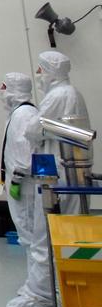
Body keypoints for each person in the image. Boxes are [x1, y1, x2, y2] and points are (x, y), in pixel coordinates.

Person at [0, 73, 53, 307]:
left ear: (12, 89)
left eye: (4, 87)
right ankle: (35, 285)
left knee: (33, 237)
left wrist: (17, 182)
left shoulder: (23, 115)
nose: (1, 91)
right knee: (29, 237)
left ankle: (41, 293)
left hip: (26, 188)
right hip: (22, 185)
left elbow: (24, 156)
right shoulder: (20, 113)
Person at [37, 50, 93, 214]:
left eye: (40, 70)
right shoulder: (73, 92)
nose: (39, 74)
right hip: (74, 163)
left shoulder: (57, 95)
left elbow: (35, 127)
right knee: (76, 209)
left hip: (59, 162)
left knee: (60, 213)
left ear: (50, 71)